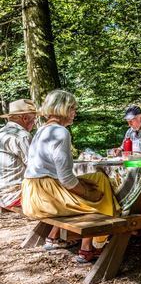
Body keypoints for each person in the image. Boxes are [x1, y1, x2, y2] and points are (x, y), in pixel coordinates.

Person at [21, 90, 120, 263]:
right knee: (101, 193)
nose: (75, 112)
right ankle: (92, 245)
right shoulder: (60, 132)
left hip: (32, 192)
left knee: (98, 179)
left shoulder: (41, 130)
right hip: (46, 195)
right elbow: (66, 179)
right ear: (63, 109)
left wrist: (86, 184)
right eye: (73, 108)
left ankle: (82, 243)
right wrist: (89, 193)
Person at [0, 99, 37, 208]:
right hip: (16, 195)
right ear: (25, 118)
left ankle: (53, 226)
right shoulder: (22, 135)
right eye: (34, 119)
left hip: (3, 194)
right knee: (66, 196)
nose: (34, 124)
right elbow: (36, 167)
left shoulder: (2, 132)